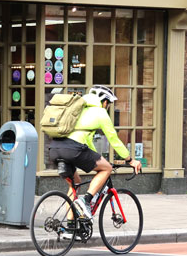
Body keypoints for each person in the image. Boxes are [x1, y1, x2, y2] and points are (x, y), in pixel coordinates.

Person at [47, 85, 142, 219]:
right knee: (106, 168)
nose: (108, 107)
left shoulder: (77, 110)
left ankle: (69, 226)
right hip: (73, 149)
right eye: (108, 104)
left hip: (55, 148)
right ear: (104, 102)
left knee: (75, 184)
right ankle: (86, 201)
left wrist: (98, 158)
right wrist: (130, 160)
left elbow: (87, 143)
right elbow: (114, 140)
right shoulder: (100, 112)